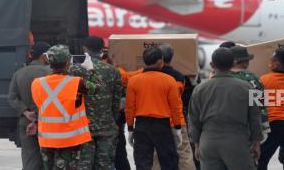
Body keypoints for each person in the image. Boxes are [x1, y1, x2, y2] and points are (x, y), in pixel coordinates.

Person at [188, 48, 263, 170]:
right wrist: (256, 142)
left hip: (208, 141)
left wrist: (196, 144)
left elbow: (193, 119)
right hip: (236, 141)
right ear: (233, 63)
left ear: (212, 65)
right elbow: (255, 116)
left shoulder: (199, 89)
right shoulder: (248, 87)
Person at [30, 45, 102, 169]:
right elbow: (97, 88)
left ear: (49, 61)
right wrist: (91, 69)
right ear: (68, 62)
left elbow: (41, 105)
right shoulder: (76, 82)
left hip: (46, 140)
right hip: (70, 140)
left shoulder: (37, 83)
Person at [69, 36, 122, 170]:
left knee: (83, 165)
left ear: (84, 49)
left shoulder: (75, 70)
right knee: (105, 165)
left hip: (82, 127)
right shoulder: (113, 70)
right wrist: (112, 119)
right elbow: (116, 101)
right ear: (102, 50)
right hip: (106, 126)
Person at [125, 46, 183, 170]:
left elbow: (129, 107)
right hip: (162, 126)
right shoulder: (169, 80)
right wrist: (177, 128)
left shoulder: (134, 81)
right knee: (169, 162)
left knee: (142, 163)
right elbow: (175, 107)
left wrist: (130, 128)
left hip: (141, 125)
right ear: (160, 61)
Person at [150, 43, 195, 170]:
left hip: (155, 120)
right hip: (177, 121)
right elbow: (185, 100)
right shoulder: (180, 77)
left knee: (156, 156)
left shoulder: (148, 76)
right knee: (184, 155)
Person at [8, 42, 51, 170]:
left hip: (26, 121)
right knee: (48, 158)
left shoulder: (19, 73)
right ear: (44, 56)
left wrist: (26, 112)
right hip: (47, 121)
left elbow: (12, 97)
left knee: (29, 158)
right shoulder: (50, 73)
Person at [230, 45, 270, 144]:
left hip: (223, 129)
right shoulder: (252, 79)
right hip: (246, 129)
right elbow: (260, 105)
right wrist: (264, 128)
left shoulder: (219, 77)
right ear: (245, 62)